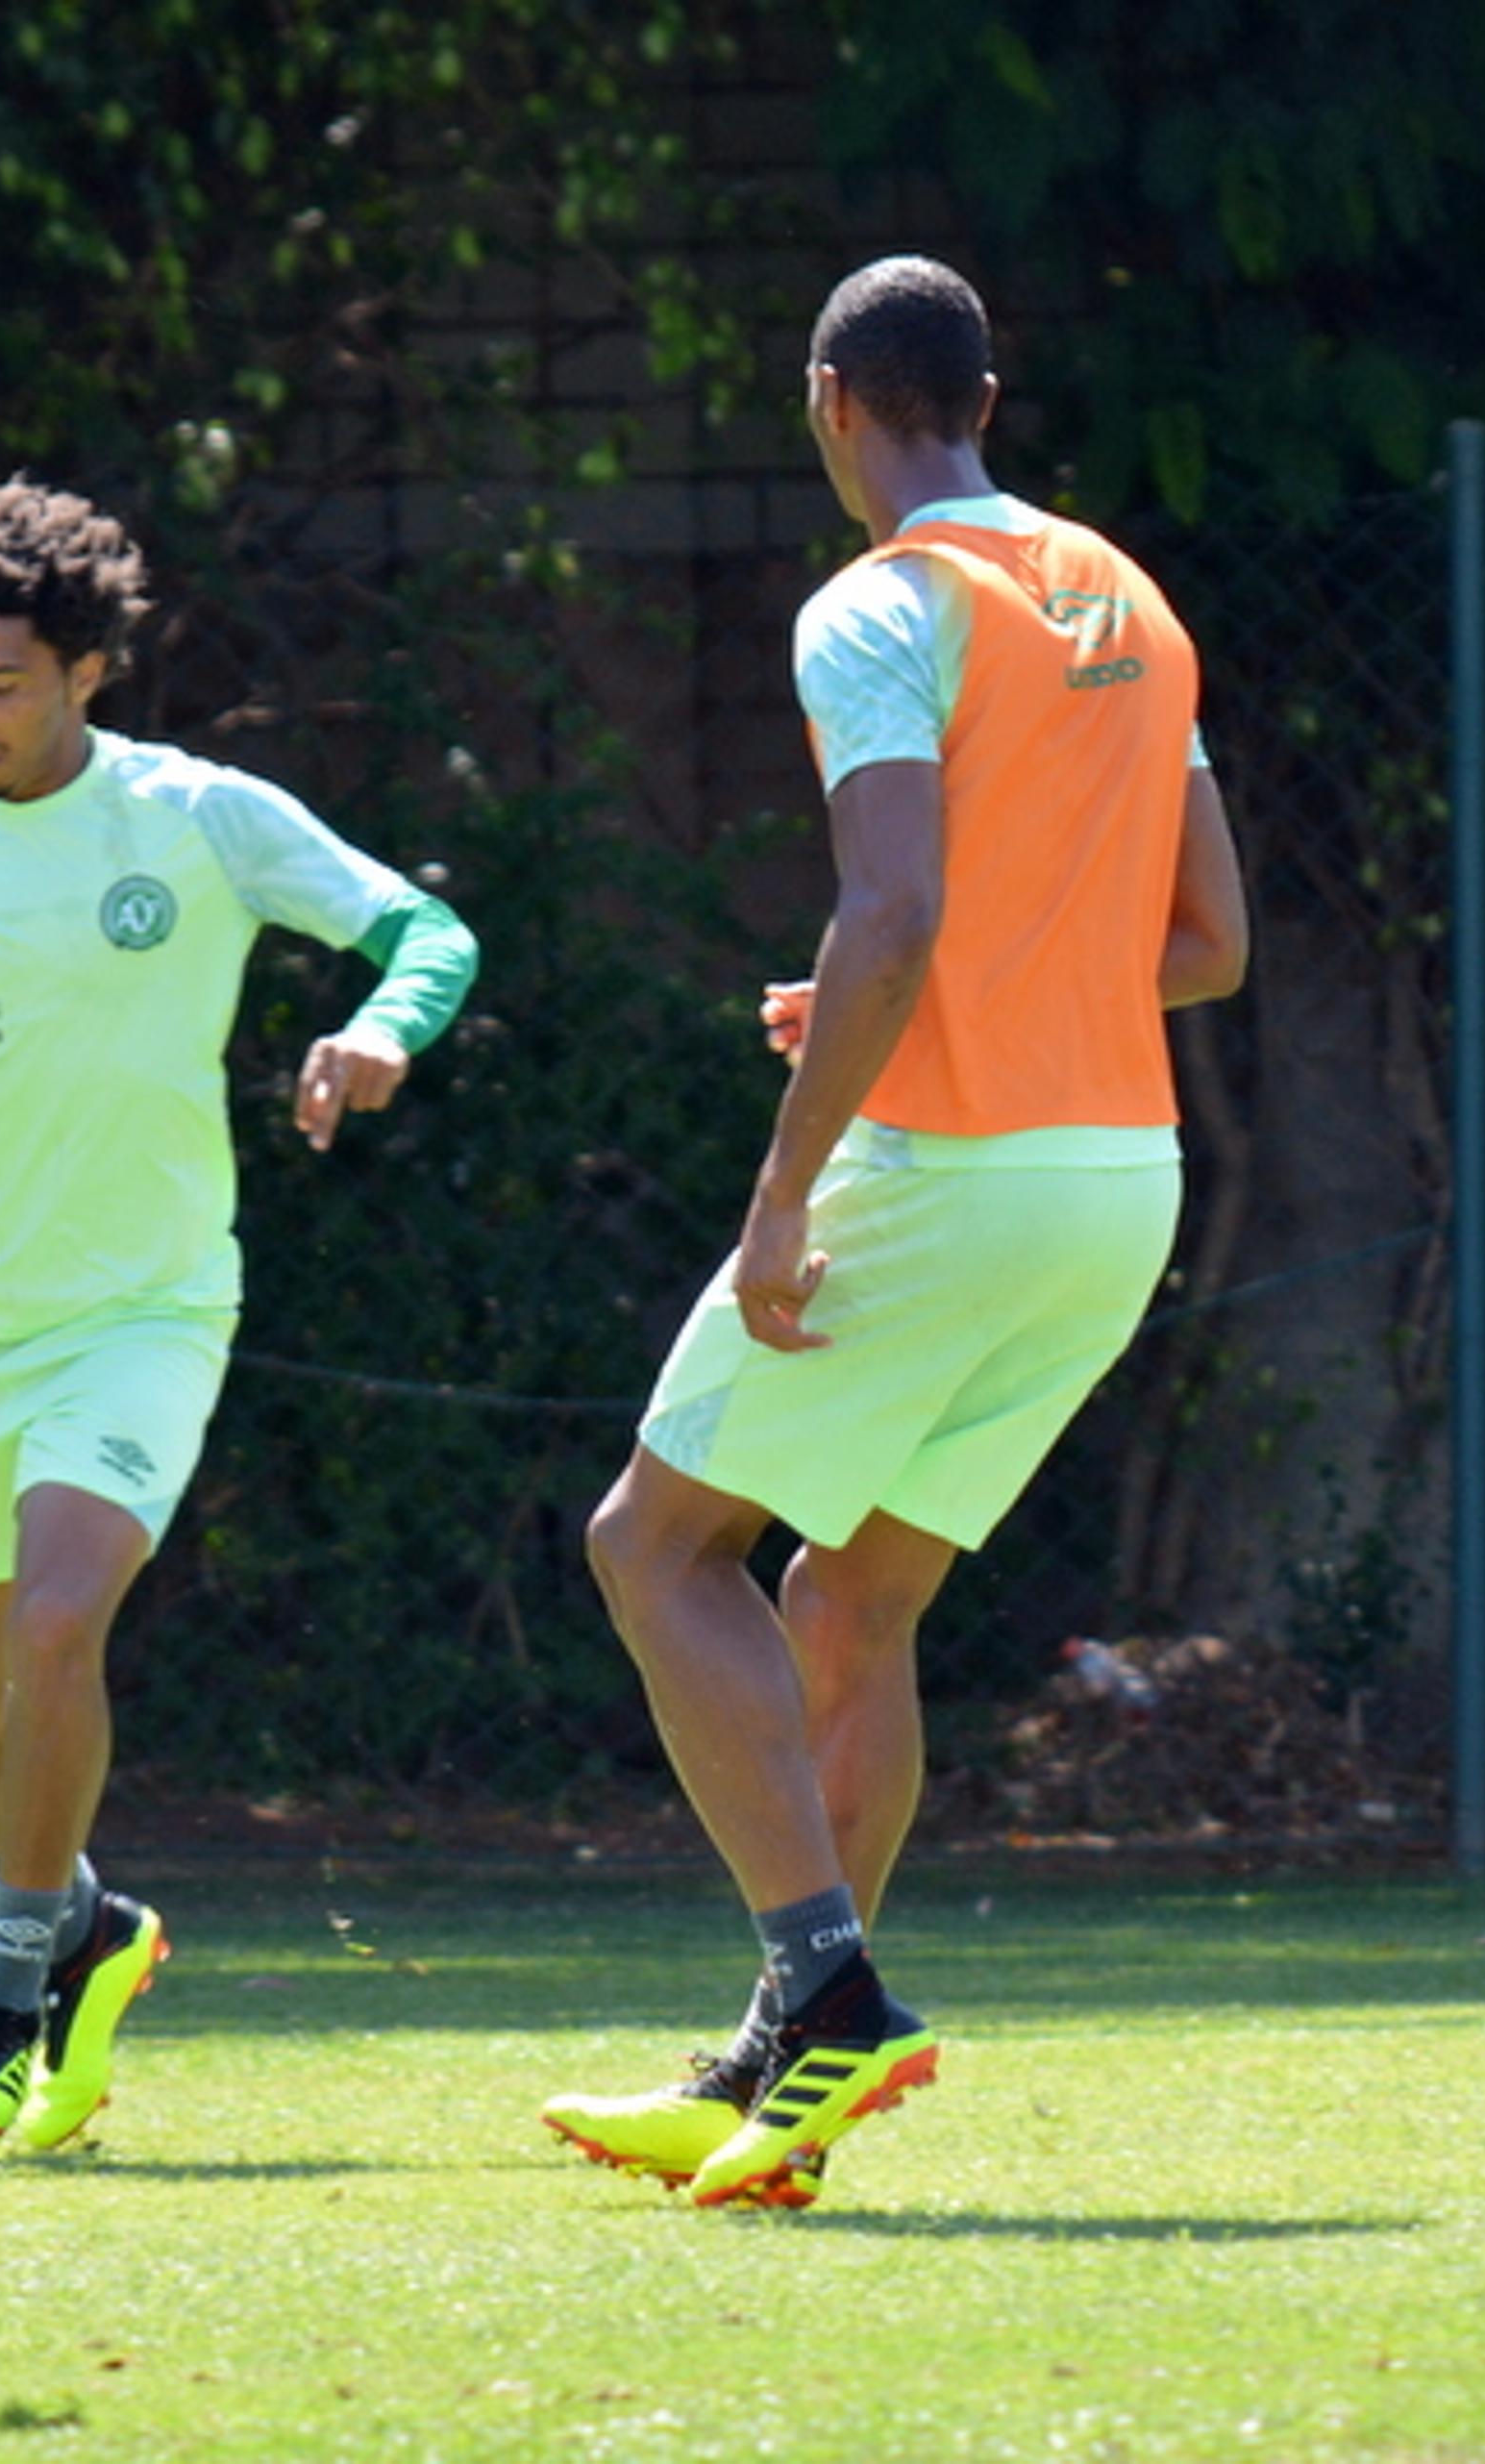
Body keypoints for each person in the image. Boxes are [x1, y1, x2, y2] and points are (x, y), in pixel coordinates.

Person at [540, 256, 1250, 2209]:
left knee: (655, 1544)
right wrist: (916, 987)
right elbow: (1206, 944)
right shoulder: (1132, 597)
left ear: (831, 400)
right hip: (1118, 1178)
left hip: (945, 1166)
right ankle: (787, 2071)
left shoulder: (876, 607)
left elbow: (897, 907)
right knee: (852, 1601)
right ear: (988, 398)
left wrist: (784, 1193)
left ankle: (826, 1989)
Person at [0, 480, 478, 2151]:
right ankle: (93, 1923)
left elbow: (423, 923)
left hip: (149, 1309)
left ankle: (6, 1997)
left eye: (5, 685)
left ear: (89, 670)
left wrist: (386, 1028)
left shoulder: (195, 819)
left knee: (59, 1622)